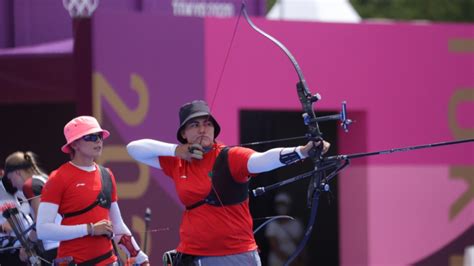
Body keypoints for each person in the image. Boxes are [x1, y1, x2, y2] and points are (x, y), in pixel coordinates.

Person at [127, 100, 330, 265]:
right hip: (191, 255)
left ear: (215, 129)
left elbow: (262, 160)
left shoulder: (230, 157)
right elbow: (134, 148)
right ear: (183, 134)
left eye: (207, 124)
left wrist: (301, 151)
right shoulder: (178, 162)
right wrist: (176, 150)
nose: (202, 129)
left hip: (234, 256)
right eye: (194, 125)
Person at [36, 116, 149, 265]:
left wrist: (140, 258)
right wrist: (89, 229)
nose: (98, 141)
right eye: (91, 137)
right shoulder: (58, 178)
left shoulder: (106, 174)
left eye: (100, 136)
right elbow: (43, 230)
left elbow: (118, 225)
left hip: (109, 261)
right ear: (75, 144)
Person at [3, 151, 60, 264]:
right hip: (61, 243)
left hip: (53, 246)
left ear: (17, 173)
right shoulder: (43, 179)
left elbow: (40, 221)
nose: (13, 184)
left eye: (11, 179)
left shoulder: (30, 185)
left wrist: (28, 246)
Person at [265, 192, 304, 266]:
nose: (281, 207)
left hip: (295, 261)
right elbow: (274, 247)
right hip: (277, 262)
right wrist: (291, 261)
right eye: (279, 205)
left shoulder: (296, 223)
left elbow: (301, 244)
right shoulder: (272, 225)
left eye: (283, 204)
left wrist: (302, 260)